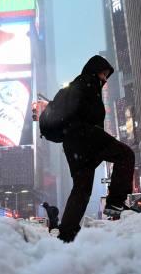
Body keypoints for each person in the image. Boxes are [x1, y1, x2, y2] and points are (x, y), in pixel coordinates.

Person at [57, 55, 135, 243]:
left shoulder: (81, 85)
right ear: (95, 70)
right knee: (125, 154)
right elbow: (84, 115)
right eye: (103, 73)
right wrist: (92, 133)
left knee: (81, 190)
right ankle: (115, 202)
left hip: (74, 144)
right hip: (86, 138)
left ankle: (66, 235)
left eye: (107, 76)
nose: (105, 79)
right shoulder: (86, 85)